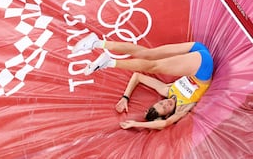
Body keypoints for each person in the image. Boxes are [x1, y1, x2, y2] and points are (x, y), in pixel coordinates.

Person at [72, 32, 214, 130]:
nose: (166, 103)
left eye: (161, 103)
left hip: (198, 51)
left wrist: (125, 97)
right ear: (168, 113)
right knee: (154, 66)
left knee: (148, 54)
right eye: (165, 107)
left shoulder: (167, 90)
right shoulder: (182, 108)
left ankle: (97, 43)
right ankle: (108, 63)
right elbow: (164, 124)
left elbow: (137, 76)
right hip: (203, 67)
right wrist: (137, 124)